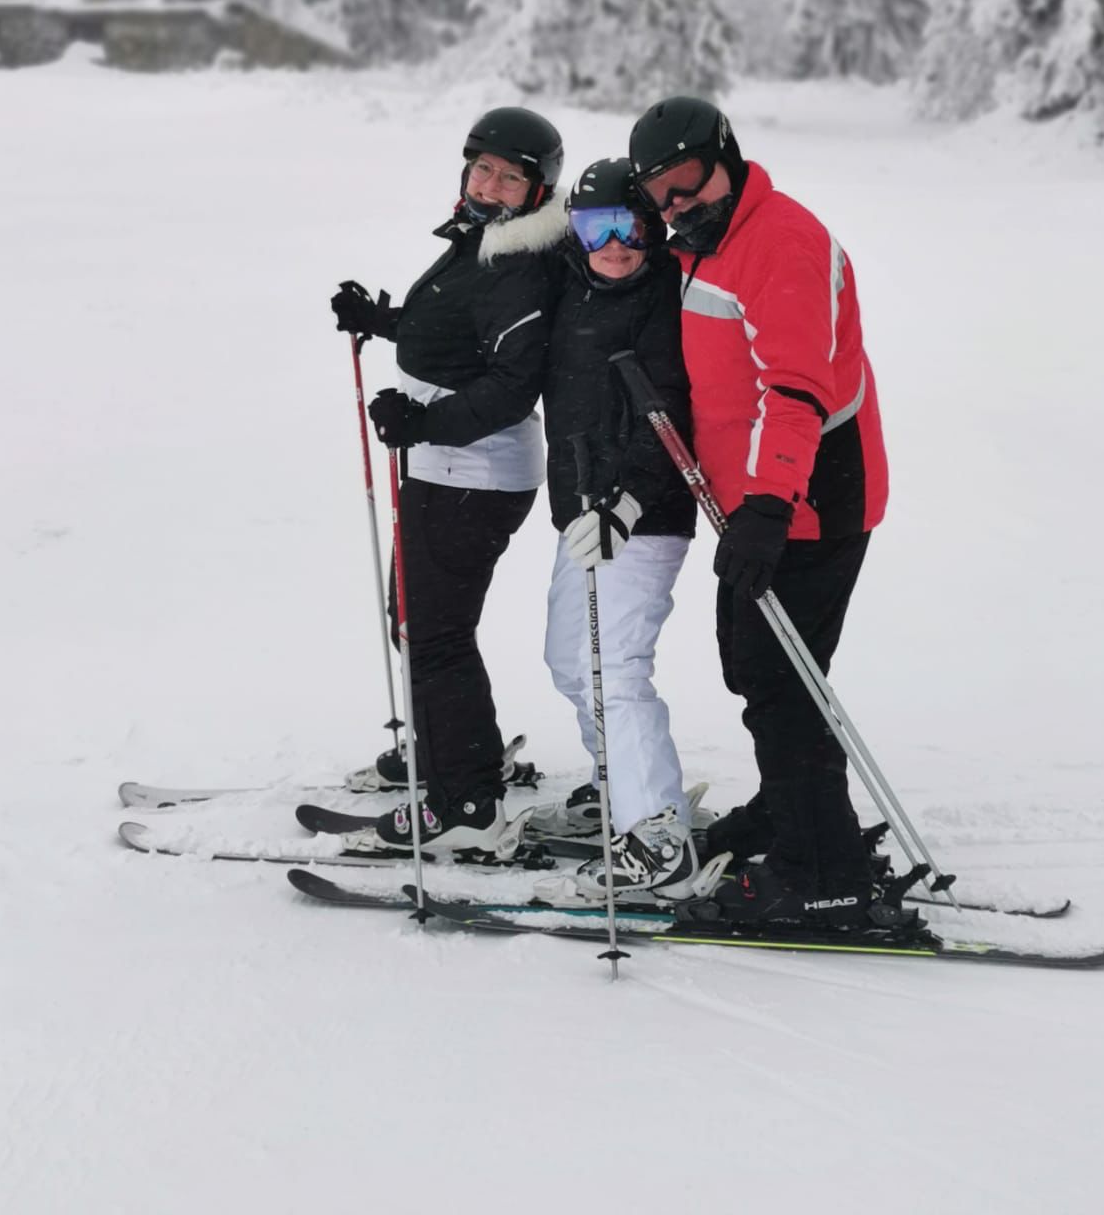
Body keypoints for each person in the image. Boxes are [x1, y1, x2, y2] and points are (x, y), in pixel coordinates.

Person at [627, 96, 889, 928]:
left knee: (782, 683)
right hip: (757, 499)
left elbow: (795, 389)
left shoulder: (779, 241)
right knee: (756, 667)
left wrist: (771, 503)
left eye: (688, 181)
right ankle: (790, 812)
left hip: (811, 497)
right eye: (659, 193)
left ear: (727, 159)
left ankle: (823, 876)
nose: (677, 204)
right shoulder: (705, 244)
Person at [329, 107, 567, 855]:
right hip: (448, 464)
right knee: (417, 621)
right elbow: (458, 332)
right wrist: (386, 321)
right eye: (482, 169)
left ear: (537, 191)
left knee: (432, 631)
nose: (489, 185)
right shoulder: (483, 241)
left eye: (510, 178)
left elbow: (511, 385)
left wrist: (423, 423)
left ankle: (465, 804)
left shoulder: (519, 265)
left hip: (474, 472)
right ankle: (454, 753)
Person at [528, 158, 699, 901]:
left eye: (630, 226)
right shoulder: (565, 286)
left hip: (644, 515)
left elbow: (673, 415)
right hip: (581, 511)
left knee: (615, 669)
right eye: (597, 227)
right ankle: (617, 786)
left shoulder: (667, 298)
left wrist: (626, 503)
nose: (616, 245)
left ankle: (658, 834)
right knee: (570, 661)